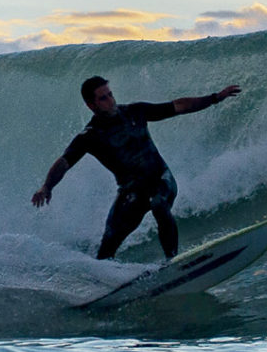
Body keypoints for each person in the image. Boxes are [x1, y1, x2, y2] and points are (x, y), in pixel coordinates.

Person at [32, 75, 242, 260]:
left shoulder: (135, 112)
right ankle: (104, 289)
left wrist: (215, 97)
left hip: (161, 180)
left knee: (159, 203)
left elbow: (178, 106)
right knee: (107, 246)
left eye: (110, 94)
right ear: (91, 105)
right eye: (103, 98)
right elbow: (64, 162)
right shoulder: (91, 136)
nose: (111, 100)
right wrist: (47, 187)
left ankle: (172, 262)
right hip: (131, 192)